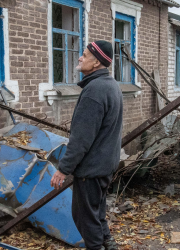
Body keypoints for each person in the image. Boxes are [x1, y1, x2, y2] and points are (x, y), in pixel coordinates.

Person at [50, 40, 122, 250]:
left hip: (90, 169)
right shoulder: (111, 85)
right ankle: (109, 245)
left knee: (85, 218)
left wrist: (63, 170)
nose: (80, 58)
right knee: (97, 213)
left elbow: (81, 138)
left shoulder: (94, 91)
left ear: (97, 62)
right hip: (105, 165)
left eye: (84, 55)